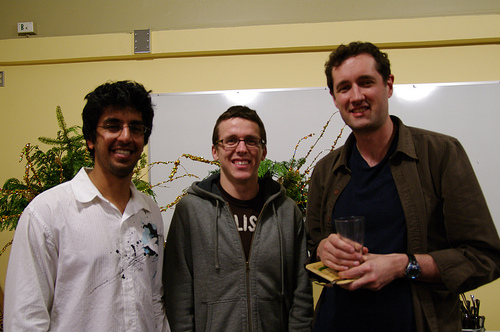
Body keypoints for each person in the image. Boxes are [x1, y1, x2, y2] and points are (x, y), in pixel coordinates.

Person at [305, 41, 500, 332]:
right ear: (334, 98)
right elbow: (310, 250)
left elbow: (485, 257)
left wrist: (402, 265)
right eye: (344, 87)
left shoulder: (441, 154)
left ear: (389, 85)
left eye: (366, 82)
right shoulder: (325, 171)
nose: (356, 96)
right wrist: (322, 249)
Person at [4, 80, 168, 331]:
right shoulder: (47, 214)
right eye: (113, 126)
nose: (126, 136)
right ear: (91, 138)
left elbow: (154, 300)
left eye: (135, 128)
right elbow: (25, 319)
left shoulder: (149, 212)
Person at [163, 105, 314, 331]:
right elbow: (179, 297)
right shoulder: (190, 211)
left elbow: (301, 293)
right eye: (231, 140)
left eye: (251, 140)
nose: (241, 149)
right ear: (215, 151)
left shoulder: (286, 211)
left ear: (263, 151)